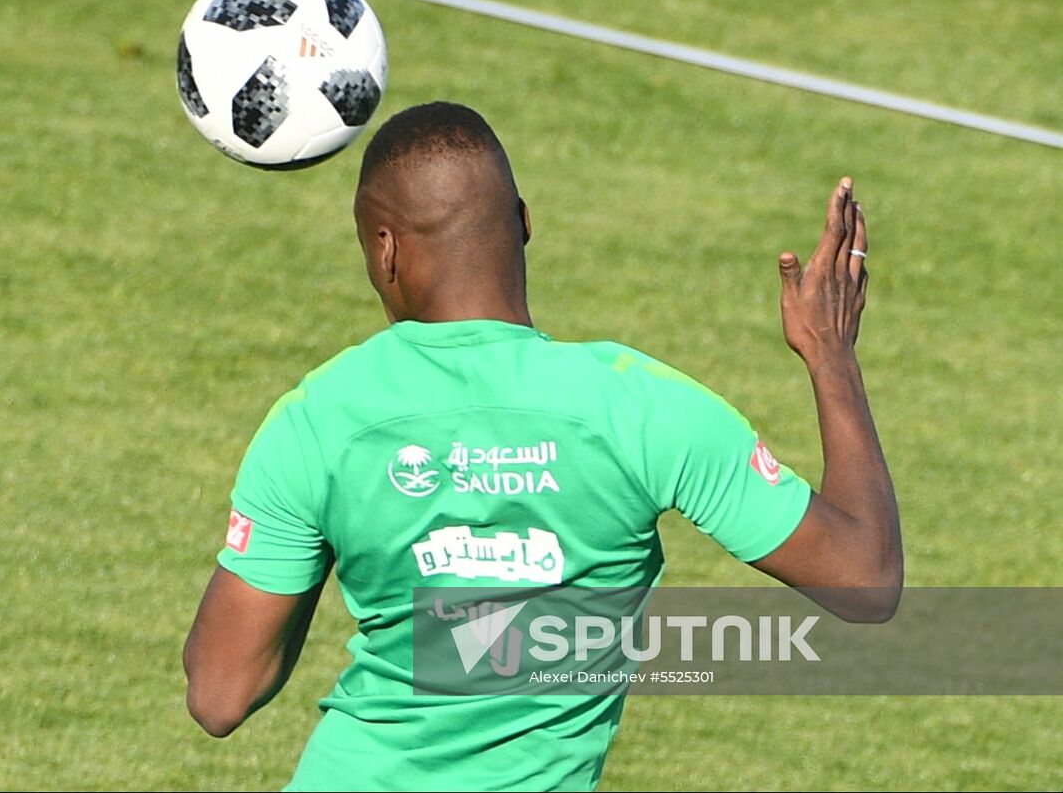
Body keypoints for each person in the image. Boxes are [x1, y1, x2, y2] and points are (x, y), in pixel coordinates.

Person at [183, 102, 902, 791]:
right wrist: (830, 353)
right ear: (524, 225)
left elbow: (221, 694)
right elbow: (864, 581)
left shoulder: (318, 418)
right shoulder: (640, 405)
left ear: (386, 249)